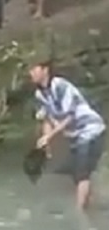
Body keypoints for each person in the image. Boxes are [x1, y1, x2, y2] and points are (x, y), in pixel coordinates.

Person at [30, 59, 105, 211]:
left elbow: (69, 116)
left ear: (45, 70)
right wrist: (47, 146)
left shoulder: (61, 86)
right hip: (76, 135)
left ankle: (79, 214)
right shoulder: (40, 94)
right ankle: (89, 206)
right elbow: (47, 119)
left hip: (91, 130)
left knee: (81, 172)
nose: (31, 73)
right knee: (76, 172)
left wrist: (49, 137)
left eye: (34, 69)